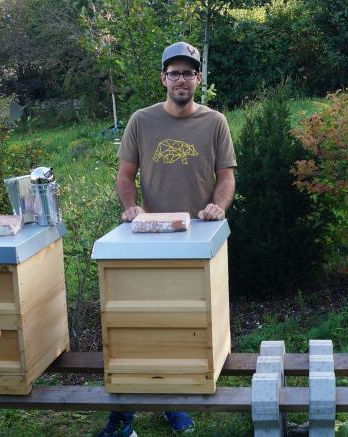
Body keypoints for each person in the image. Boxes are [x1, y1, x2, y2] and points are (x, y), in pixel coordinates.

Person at [99, 41, 236, 437]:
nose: (181, 79)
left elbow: (226, 177)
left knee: (183, 324)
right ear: (163, 78)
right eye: (174, 72)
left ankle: (175, 403)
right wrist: (131, 208)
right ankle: (123, 412)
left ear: (198, 79)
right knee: (137, 324)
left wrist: (218, 206)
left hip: (198, 240)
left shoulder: (215, 122)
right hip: (147, 239)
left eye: (188, 72)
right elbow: (125, 176)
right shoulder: (141, 121)